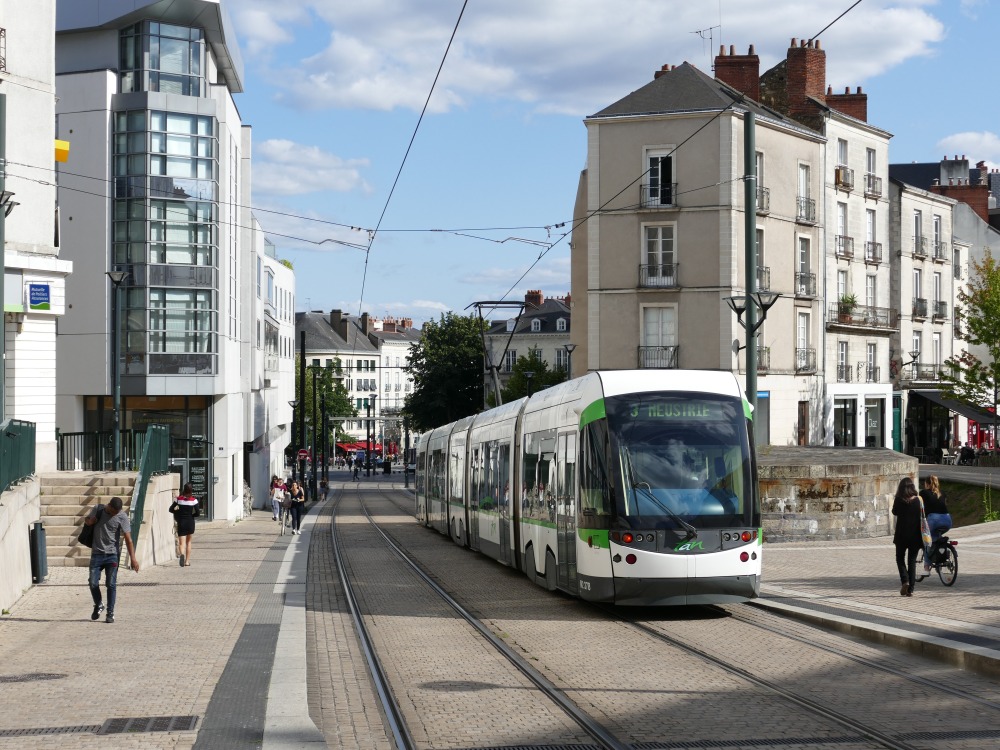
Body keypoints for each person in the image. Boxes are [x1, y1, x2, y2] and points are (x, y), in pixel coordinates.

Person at [84, 497, 139, 623]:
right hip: (97, 553)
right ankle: (99, 604)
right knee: (92, 582)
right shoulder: (98, 509)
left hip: (112, 555)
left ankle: (110, 612)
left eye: (117, 512)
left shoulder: (122, 516)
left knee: (111, 584)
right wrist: (89, 521)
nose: (115, 514)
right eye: (113, 512)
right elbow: (86, 520)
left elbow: (128, 539)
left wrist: (133, 559)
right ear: (109, 505)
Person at [892, 477, 923, 597]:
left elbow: (894, 512)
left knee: (900, 558)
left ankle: (905, 581)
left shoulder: (899, 500)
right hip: (915, 536)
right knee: (912, 561)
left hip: (901, 535)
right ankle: (911, 590)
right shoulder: (918, 500)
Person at [169, 483, 200, 567]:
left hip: (181, 522)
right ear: (191, 490)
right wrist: (192, 515)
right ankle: (187, 562)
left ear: (184, 489)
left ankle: (182, 554)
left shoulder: (179, 499)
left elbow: (171, 509)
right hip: (190, 523)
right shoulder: (194, 500)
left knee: (181, 543)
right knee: (188, 542)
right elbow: (198, 513)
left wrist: (178, 513)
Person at [920, 475, 952, 543]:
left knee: (926, 539)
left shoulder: (923, 492)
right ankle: (941, 545)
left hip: (934, 520)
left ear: (927, 483)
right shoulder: (942, 493)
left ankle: (928, 550)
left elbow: (919, 505)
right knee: (935, 537)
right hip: (947, 520)